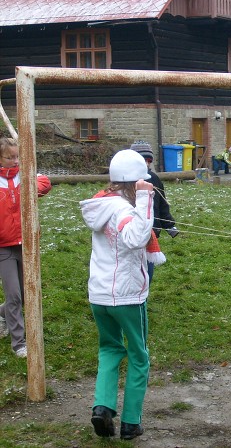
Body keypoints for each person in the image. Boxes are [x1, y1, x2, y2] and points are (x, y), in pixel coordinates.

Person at [80, 149, 154, 441]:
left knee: (109, 349)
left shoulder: (103, 204)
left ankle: (102, 407)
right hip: (126, 297)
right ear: (135, 184)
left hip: (98, 295)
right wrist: (146, 200)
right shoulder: (124, 210)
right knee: (139, 356)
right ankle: (130, 423)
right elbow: (136, 238)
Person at [0, 137, 52, 358]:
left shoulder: (25, 173)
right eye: (9, 157)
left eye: (17, 156)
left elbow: (45, 183)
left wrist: (30, 187)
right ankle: (19, 343)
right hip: (3, 246)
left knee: (22, 293)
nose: (15, 160)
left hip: (26, 243)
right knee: (13, 295)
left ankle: (2, 314)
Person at [130, 141, 175, 283]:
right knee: (133, 268)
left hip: (152, 231)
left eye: (149, 160)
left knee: (147, 271)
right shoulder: (127, 180)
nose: (147, 163)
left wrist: (169, 224)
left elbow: (162, 204)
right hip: (131, 230)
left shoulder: (154, 178)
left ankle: (144, 295)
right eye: (143, 160)